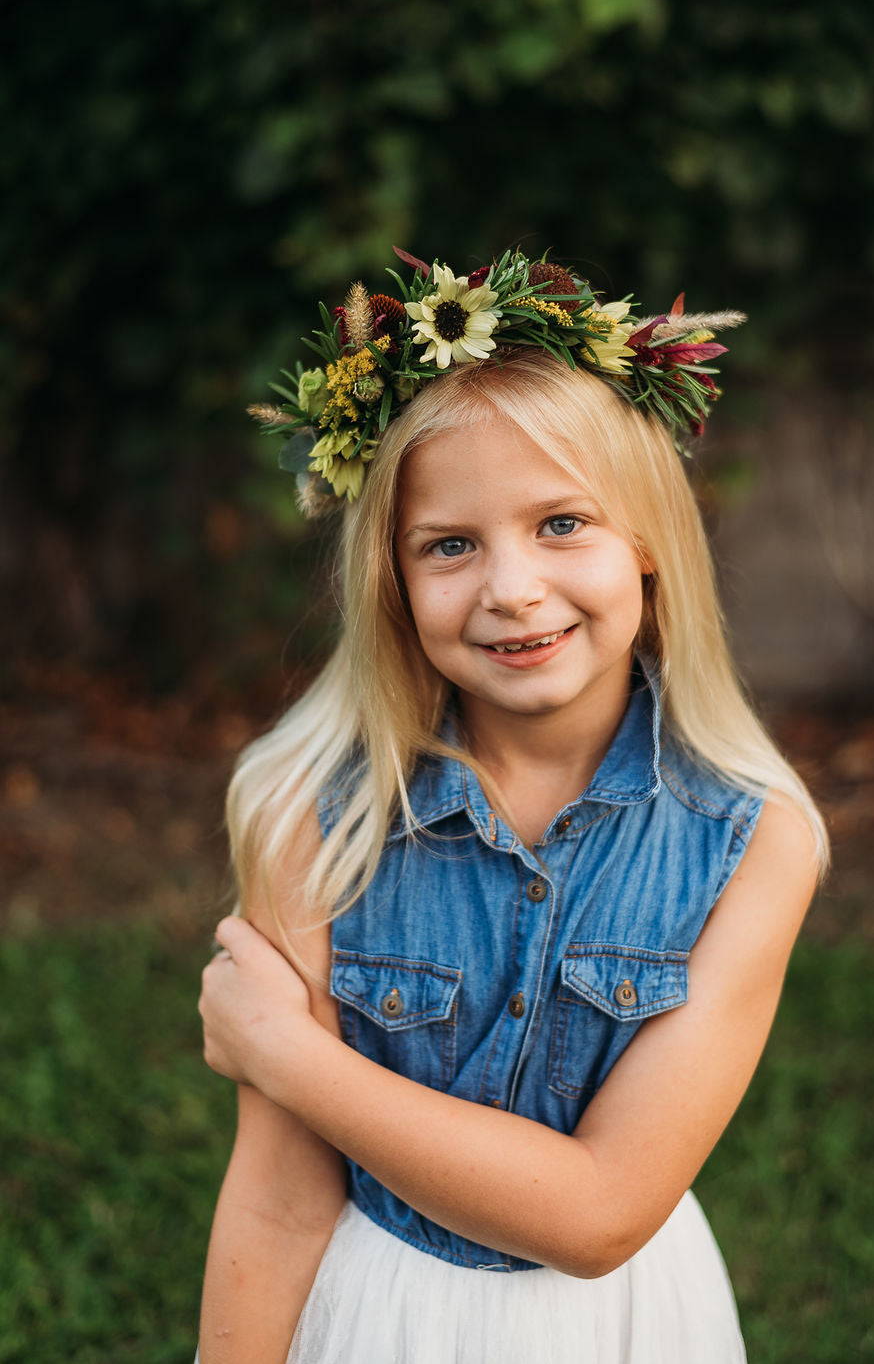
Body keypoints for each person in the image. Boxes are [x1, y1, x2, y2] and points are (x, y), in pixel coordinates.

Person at [196, 249, 827, 1364]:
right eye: (450, 544)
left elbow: (598, 1216)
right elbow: (282, 1200)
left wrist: (285, 1055)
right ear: (390, 579)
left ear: (647, 542)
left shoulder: (753, 837)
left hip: (624, 1319)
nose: (511, 588)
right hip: (384, 1312)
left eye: (561, 524)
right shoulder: (313, 815)